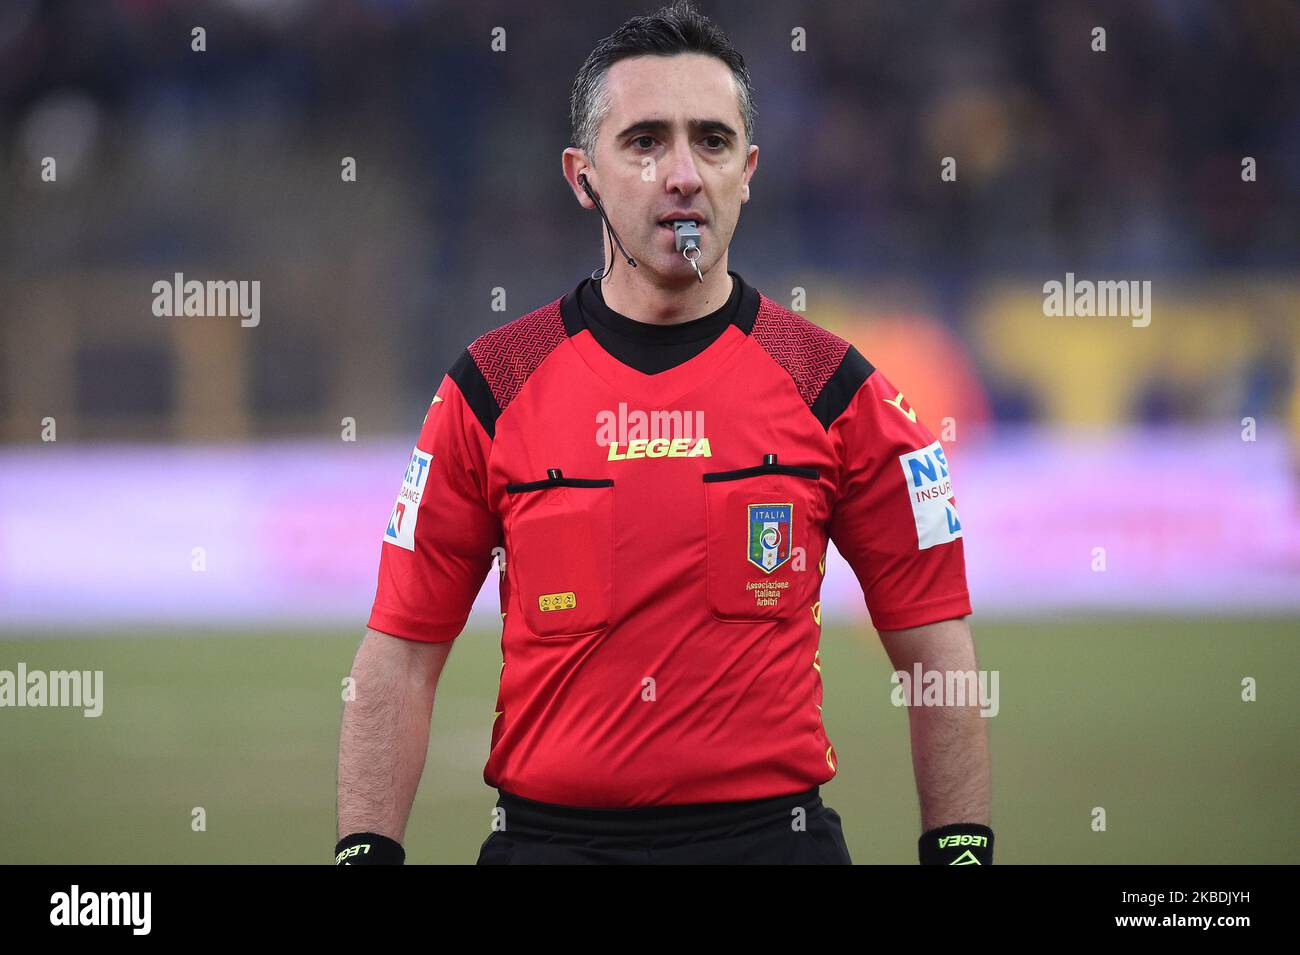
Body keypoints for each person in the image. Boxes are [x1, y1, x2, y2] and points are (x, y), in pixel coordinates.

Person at [336, 0, 991, 866]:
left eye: (712, 142)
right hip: (548, 847)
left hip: (772, 846)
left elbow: (934, 642)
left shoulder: (839, 391)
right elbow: (402, 654)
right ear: (583, 176)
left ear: (748, 170)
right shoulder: (490, 388)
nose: (683, 173)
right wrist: (365, 852)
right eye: (645, 141)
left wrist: (961, 852)